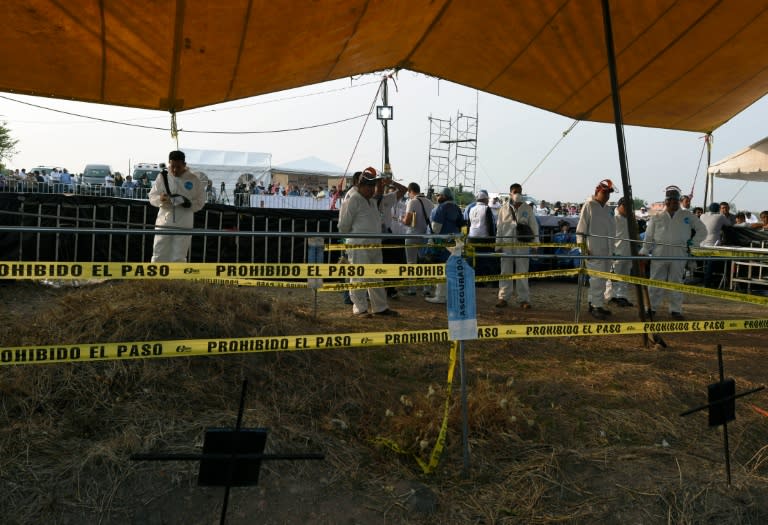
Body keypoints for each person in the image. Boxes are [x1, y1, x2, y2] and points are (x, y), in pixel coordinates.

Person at [337, 167, 398, 317]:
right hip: (359, 245)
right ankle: (360, 308)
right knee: (359, 276)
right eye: (370, 186)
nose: (373, 189)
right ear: (361, 185)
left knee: (376, 276)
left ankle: (380, 307)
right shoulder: (352, 200)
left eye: (374, 186)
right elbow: (343, 226)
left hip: (375, 245)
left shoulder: (371, 201)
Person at [639, 185, 706, 319]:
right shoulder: (657, 216)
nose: (673, 203)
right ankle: (651, 308)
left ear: (679, 201)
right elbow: (649, 236)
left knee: (676, 282)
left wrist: (693, 243)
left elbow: (702, 230)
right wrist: (644, 252)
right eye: (670, 200)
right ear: (666, 201)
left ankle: (676, 310)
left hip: (679, 252)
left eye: (675, 200)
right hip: (659, 252)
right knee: (655, 281)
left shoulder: (687, 215)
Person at [148, 150, 206, 262]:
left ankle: (176, 279)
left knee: (179, 255)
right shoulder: (162, 177)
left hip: (184, 222)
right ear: (169, 163)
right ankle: (156, 279)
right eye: (172, 166)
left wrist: (188, 204)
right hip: (164, 221)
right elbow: (152, 197)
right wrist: (160, 199)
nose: (175, 170)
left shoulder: (194, 179)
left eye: (178, 167)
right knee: (159, 252)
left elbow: (200, 202)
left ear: (184, 165)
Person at [576, 179, 616, 319]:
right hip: (593, 249)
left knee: (603, 279)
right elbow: (581, 229)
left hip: (607, 250)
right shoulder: (589, 205)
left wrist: (613, 249)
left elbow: (612, 231)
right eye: (604, 193)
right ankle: (596, 306)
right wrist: (583, 247)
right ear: (597, 191)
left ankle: (594, 303)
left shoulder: (609, 209)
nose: (606, 196)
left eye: (608, 193)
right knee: (596, 280)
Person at [495, 182, 539, 309]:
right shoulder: (503, 209)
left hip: (522, 245)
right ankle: (503, 298)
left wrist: (535, 245)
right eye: (515, 192)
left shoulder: (527, 208)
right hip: (506, 245)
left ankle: (523, 300)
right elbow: (499, 228)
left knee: (522, 272)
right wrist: (498, 245)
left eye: (519, 192)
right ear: (510, 193)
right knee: (505, 272)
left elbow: (534, 227)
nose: (517, 194)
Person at [425, 187, 464, 304]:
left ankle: (440, 296)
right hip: (455, 242)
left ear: (444, 196)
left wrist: (430, 240)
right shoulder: (457, 208)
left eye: (439, 195)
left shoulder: (441, 208)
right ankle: (451, 296)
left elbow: (436, 228)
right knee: (452, 271)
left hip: (443, 244)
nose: (437, 197)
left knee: (441, 270)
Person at [401, 182, 434, 295]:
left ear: (410, 191)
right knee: (425, 262)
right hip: (426, 236)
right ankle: (427, 288)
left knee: (411, 262)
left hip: (412, 235)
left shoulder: (412, 202)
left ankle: (412, 289)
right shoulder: (430, 203)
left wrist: (402, 219)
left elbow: (407, 221)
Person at [604, 196, 634, 307]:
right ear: (619, 205)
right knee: (613, 276)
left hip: (628, 252)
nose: (627, 209)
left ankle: (622, 296)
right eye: (625, 206)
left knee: (625, 276)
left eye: (629, 206)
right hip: (616, 251)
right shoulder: (613, 217)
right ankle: (611, 297)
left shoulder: (631, 218)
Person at [467, 189, 497, 282]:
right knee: (486, 260)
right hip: (484, 238)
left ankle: (476, 280)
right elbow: (490, 225)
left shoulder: (471, 209)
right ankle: (486, 280)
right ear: (484, 199)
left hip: (472, 238)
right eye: (487, 199)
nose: (488, 201)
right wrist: (493, 240)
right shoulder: (486, 208)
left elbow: (469, 224)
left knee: (475, 260)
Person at [700, 202, 731, 288]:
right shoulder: (720, 216)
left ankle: (707, 281)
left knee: (707, 264)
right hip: (712, 245)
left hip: (701, 244)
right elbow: (729, 224)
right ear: (719, 209)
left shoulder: (702, 216)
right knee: (712, 263)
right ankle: (707, 283)